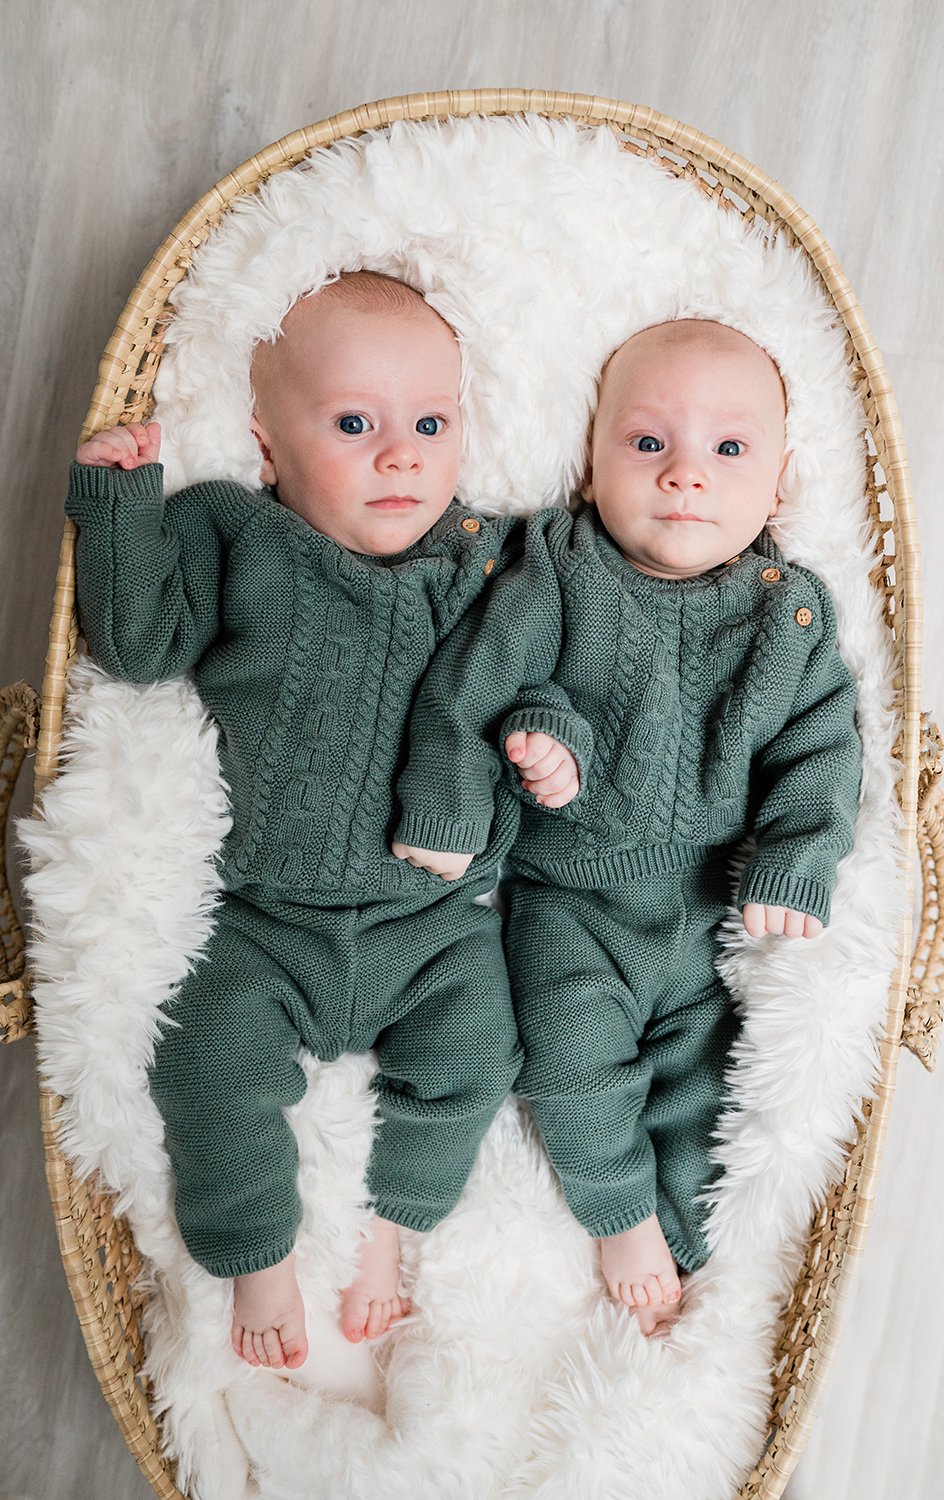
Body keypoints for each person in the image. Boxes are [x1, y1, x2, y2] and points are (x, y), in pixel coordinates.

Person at [67, 271, 570, 1371]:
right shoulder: (240, 540)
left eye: (429, 425)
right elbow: (137, 645)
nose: (400, 455)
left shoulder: (487, 567)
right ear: (266, 449)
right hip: (268, 919)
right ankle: (256, 1256)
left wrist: (541, 735)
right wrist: (117, 505)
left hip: (434, 924)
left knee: (479, 1052)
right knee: (204, 1064)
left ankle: (393, 1234)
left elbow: (535, 674)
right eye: (354, 425)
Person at [392, 318, 863, 1336]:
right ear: (589, 464)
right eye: (648, 444)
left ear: (777, 485)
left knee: (707, 1080)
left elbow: (822, 749)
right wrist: (463, 795)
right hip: (568, 904)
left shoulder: (787, 616)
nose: (684, 476)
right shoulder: (558, 571)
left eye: (726, 451)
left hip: (706, 915)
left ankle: (692, 1246)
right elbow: (470, 680)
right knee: (567, 1054)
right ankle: (616, 1214)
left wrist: (794, 858)